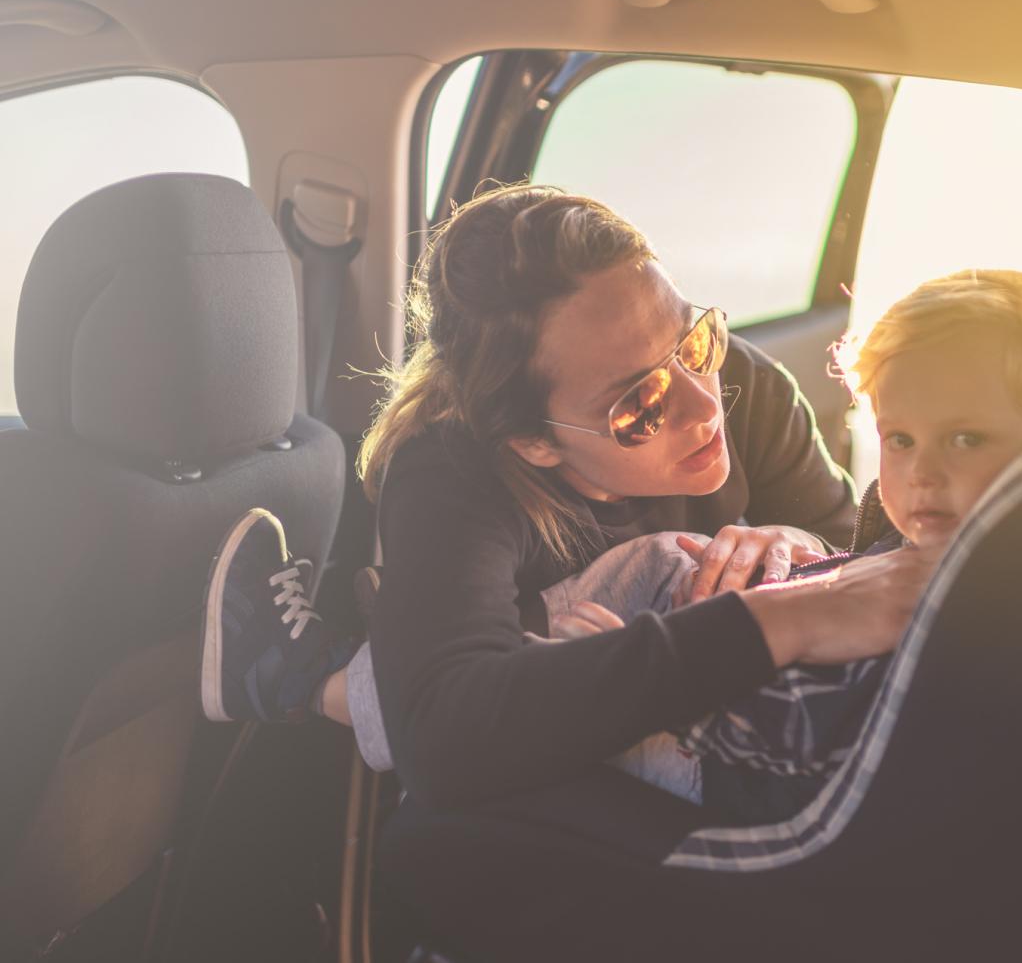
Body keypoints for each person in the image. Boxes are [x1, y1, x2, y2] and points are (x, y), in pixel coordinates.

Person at [199, 183, 940, 810]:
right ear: (535, 441)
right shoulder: (452, 476)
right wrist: (769, 621)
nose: (704, 405)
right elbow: (441, 736)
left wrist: (798, 547)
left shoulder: (747, 390)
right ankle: (302, 674)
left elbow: (859, 548)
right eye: (639, 405)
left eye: (693, 341)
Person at [526, 269, 1022, 821]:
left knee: (553, 714)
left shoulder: (1000, 600)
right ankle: (521, 664)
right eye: (899, 439)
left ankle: (534, 681)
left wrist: (640, 688)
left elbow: (822, 733)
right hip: (731, 710)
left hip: (722, 767)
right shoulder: (938, 540)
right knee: (669, 558)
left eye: (966, 439)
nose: (921, 472)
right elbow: (851, 576)